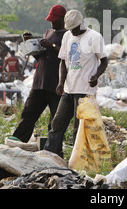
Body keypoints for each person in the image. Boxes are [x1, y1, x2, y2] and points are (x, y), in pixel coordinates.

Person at [44, 9, 108, 158]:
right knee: (57, 123)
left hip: (85, 90)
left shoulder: (94, 37)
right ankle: (51, 155)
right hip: (69, 88)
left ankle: (77, 160)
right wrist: (61, 82)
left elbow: (104, 61)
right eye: (70, 29)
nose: (72, 32)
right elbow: (63, 61)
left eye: (74, 29)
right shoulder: (67, 36)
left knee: (78, 129)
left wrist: (96, 76)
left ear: (81, 24)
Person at [12, 4, 67, 143]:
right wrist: (30, 43)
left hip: (56, 84)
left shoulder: (68, 36)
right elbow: (41, 57)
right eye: (51, 20)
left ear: (63, 19)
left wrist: (53, 46)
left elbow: (67, 56)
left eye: (55, 20)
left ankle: (53, 147)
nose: (52, 22)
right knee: (28, 114)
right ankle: (17, 141)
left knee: (55, 120)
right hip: (40, 82)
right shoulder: (48, 33)